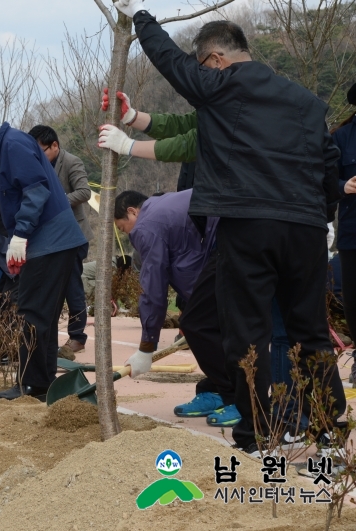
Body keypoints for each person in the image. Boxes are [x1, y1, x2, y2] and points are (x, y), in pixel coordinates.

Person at [116, 1, 345, 453]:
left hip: (249, 224)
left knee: (247, 333)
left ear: (216, 60)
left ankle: (257, 437)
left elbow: (170, 61)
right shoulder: (303, 99)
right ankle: (331, 436)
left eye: (204, 66)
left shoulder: (222, 86)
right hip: (305, 228)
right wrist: (322, 213)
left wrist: (140, 17)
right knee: (311, 331)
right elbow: (330, 162)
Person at [0, 111, 88, 400]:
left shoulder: (13, 144)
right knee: (43, 317)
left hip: (50, 240)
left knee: (32, 313)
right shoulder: (8, 150)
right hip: (52, 241)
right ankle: (41, 385)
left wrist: (21, 234)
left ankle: (30, 384)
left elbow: (36, 191)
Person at [111, 190, 240, 426]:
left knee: (196, 325)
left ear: (132, 211)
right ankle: (214, 388)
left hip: (229, 243)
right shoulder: (162, 207)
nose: (127, 234)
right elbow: (189, 259)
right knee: (209, 324)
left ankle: (237, 397)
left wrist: (147, 346)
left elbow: (154, 286)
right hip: (223, 242)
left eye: (122, 227)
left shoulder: (146, 226)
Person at [29, 125, 94, 359]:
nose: (38, 156)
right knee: (53, 288)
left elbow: (85, 192)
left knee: (72, 286)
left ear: (55, 145)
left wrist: (59, 201)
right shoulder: (37, 165)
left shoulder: (71, 162)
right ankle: (51, 338)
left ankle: (77, 337)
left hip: (74, 235)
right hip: (51, 239)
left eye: (42, 151)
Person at [331, 83, 356, 383]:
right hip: (352, 233)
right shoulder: (341, 137)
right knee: (353, 299)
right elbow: (325, 179)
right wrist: (343, 186)